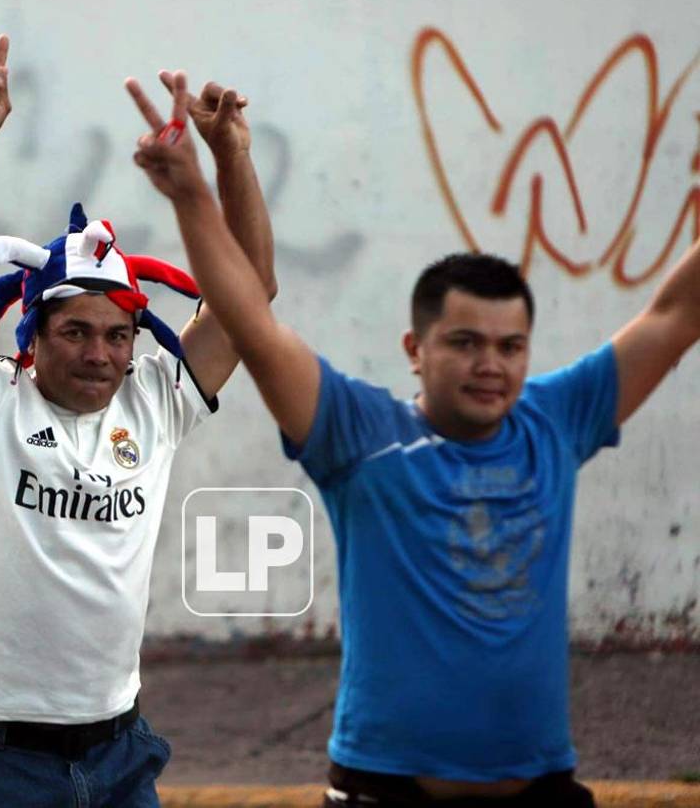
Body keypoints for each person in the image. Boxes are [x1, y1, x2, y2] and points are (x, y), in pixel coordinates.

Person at [126, 73, 700, 807]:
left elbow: (674, 314)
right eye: (464, 342)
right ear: (414, 347)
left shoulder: (558, 419)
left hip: (542, 788)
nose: (490, 364)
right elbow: (253, 323)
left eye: (510, 345)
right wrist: (194, 191)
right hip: (386, 790)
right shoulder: (357, 432)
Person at [0, 36, 275, 807]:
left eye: (117, 334)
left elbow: (252, 295)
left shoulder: (156, 399)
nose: (101, 353)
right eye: (75, 331)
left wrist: (231, 157)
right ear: (32, 335)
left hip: (118, 753)